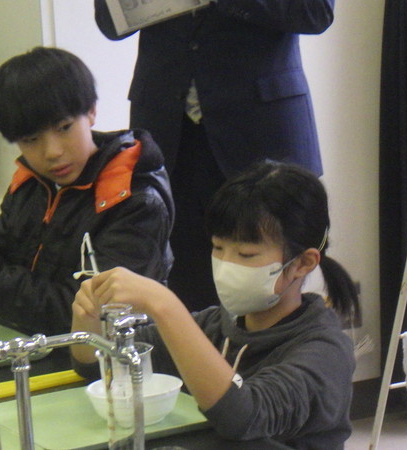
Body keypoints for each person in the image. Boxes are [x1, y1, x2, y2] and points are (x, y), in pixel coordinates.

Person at [71, 161, 358, 448]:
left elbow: (242, 416)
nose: (226, 265)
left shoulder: (325, 352)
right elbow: (100, 367)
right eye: (218, 248)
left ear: (303, 263)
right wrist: (88, 318)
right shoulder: (214, 326)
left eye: (246, 254)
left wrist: (164, 305)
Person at [94, 0, 334, 311]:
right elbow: (110, 22)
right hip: (169, 129)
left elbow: (315, 12)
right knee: (183, 284)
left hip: (261, 129)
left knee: (269, 285)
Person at [0, 47, 174, 336]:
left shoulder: (134, 199)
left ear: (91, 111)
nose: (52, 152)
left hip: (111, 355)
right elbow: (2, 248)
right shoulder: (33, 184)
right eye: (31, 139)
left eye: (64, 128)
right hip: (38, 345)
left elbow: (78, 314)